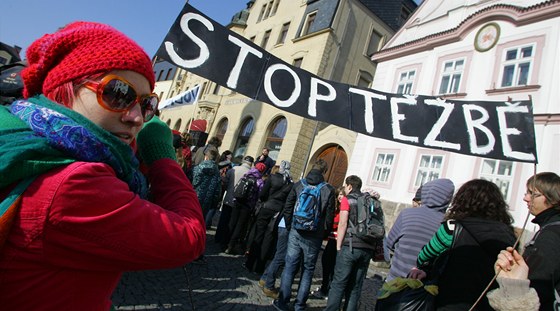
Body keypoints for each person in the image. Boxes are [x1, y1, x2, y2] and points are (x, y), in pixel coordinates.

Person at [0, 21, 206, 310]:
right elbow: (190, 237)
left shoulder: (23, 139)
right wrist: (162, 157)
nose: (137, 117)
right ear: (64, 89)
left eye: (147, 105)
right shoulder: (74, 182)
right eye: (119, 93)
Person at [410, 179, 517, 310]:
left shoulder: (453, 228)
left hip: (451, 300)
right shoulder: (509, 235)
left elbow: (424, 257)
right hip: (488, 304)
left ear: (463, 200)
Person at [273, 159, 335, 311]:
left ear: (311, 168)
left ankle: (282, 302)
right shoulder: (328, 189)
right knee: (308, 270)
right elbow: (329, 216)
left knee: (289, 267)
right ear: (324, 171)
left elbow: (288, 206)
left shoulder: (299, 184)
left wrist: (289, 225)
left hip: (296, 230)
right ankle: (299, 305)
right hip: (315, 235)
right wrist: (323, 233)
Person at [324, 176, 380, 311]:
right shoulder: (370, 201)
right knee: (355, 286)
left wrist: (338, 246)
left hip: (350, 247)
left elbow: (342, 224)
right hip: (367, 248)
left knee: (338, 283)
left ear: (349, 186)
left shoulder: (347, 200)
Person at [385, 178, 455, 282]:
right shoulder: (447, 225)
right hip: (423, 286)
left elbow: (389, 243)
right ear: (448, 199)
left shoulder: (407, 214)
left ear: (426, 193)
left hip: (395, 281)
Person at [520, 172, 560, 310]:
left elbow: (537, 286)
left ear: (552, 199)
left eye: (532, 194)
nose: (526, 198)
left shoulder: (550, 234)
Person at [245, 161, 293, 274]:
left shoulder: (272, 177)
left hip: (266, 208)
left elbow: (262, 194)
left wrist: (265, 201)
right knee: (269, 238)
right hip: (278, 212)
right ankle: (260, 267)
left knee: (259, 235)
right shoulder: (290, 183)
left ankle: (250, 263)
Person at [311, 186, 344, 300]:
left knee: (330, 265)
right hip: (331, 240)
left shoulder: (344, 210)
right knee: (326, 263)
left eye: (342, 195)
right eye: (339, 195)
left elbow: (337, 224)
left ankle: (327, 290)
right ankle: (325, 287)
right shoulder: (336, 208)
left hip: (336, 241)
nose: (340, 197)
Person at [226, 162, 266, 255]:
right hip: (247, 205)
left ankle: (225, 241)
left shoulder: (247, 174)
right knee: (239, 225)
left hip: (237, 201)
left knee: (232, 222)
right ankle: (231, 246)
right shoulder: (259, 181)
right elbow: (260, 195)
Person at [214, 155, 253, 251]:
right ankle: (227, 241)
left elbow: (226, 182)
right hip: (240, 202)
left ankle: (218, 237)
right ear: (251, 164)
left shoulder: (234, 169)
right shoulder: (250, 173)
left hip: (229, 198)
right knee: (232, 223)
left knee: (223, 219)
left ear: (243, 161)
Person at [192, 148, 222, 230]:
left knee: (189, 218)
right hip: (207, 200)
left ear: (206, 157)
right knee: (199, 221)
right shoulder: (217, 173)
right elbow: (218, 191)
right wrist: (214, 203)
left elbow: (192, 183)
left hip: (193, 197)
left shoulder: (197, 168)